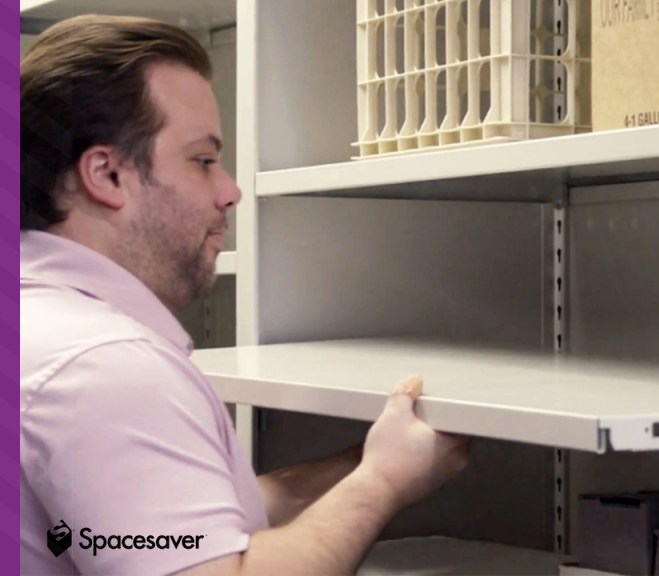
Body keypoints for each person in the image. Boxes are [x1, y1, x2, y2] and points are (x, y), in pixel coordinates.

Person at [20, 14, 470, 575]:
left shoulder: (41, 329)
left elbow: (169, 521)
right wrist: (382, 482)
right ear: (107, 175)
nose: (230, 190)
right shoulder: (104, 366)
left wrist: (369, 460)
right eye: (203, 161)